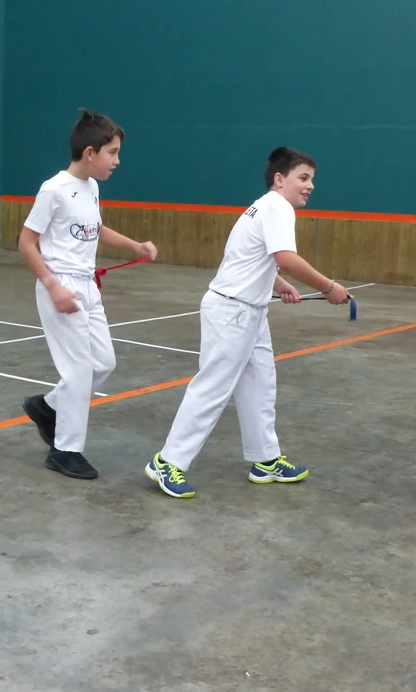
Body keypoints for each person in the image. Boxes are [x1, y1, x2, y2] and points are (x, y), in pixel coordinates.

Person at [144, 147, 351, 499]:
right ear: (279, 179)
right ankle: (167, 461)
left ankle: (265, 459)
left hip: (251, 312)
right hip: (232, 313)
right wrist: (329, 288)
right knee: (212, 388)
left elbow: (252, 257)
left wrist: (278, 283)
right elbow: (286, 257)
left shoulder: (263, 207)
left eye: (312, 179)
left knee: (260, 385)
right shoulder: (278, 208)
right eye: (303, 178)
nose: (310, 186)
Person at [18, 110, 157, 480]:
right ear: (91, 152)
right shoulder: (53, 189)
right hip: (60, 285)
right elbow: (26, 242)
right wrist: (53, 286)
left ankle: (48, 407)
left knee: (104, 363)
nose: (117, 161)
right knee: (79, 370)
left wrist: (135, 245)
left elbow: (95, 228)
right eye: (113, 153)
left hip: (87, 285)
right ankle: (65, 451)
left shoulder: (92, 188)